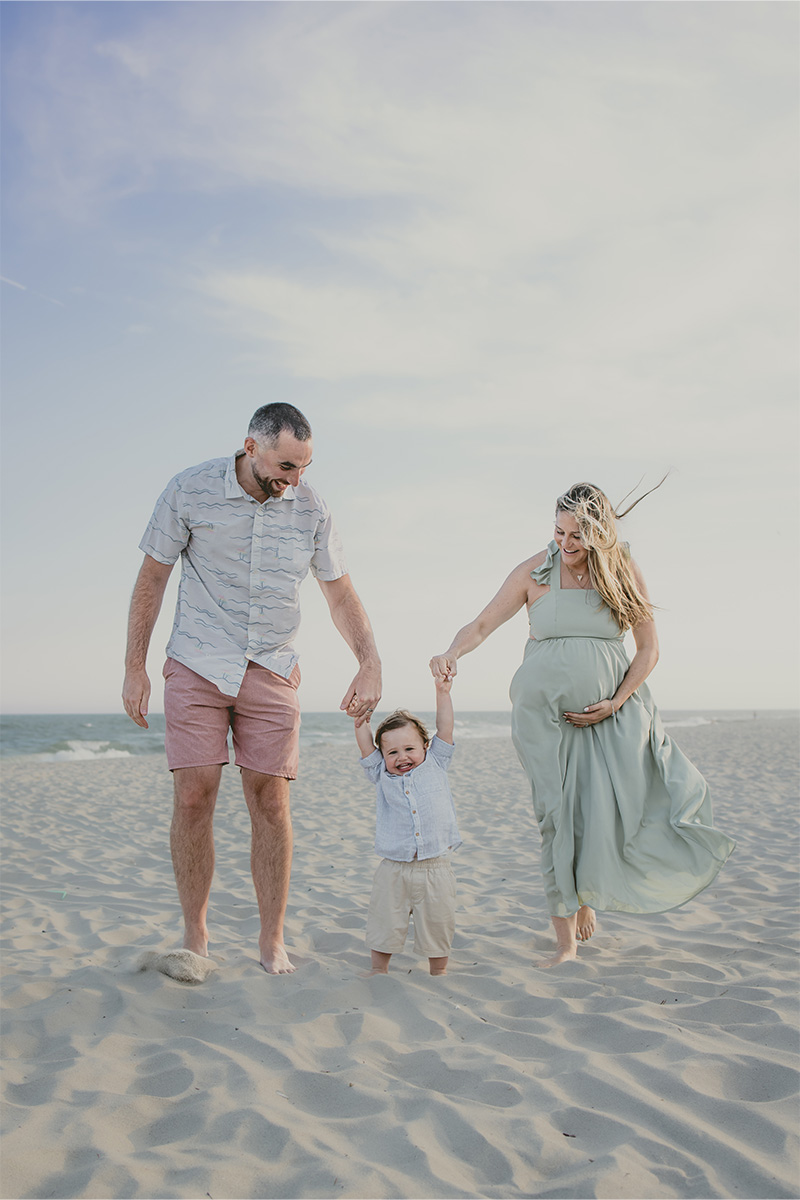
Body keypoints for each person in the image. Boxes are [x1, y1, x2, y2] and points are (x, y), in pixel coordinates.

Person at [430, 481, 734, 968]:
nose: (566, 544)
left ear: (600, 534)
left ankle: (586, 893)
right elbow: (483, 624)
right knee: (556, 815)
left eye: (577, 536)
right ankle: (565, 941)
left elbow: (649, 649)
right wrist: (451, 651)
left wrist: (616, 700)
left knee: (601, 813)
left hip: (609, 717)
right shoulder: (535, 569)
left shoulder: (621, 570)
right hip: (541, 718)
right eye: (559, 531)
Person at [122, 403, 381, 975]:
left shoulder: (311, 508)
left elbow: (339, 593)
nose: (295, 480)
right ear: (251, 446)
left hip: (271, 666)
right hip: (196, 661)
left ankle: (271, 941)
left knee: (271, 801)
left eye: (304, 468)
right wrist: (134, 666)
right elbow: (153, 577)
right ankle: (196, 936)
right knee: (194, 796)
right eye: (287, 466)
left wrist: (368, 660)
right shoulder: (189, 489)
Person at [353, 676, 460, 976]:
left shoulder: (436, 762)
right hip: (393, 868)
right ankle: (378, 970)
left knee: (438, 924)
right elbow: (365, 747)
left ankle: (438, 972)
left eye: (409, 749)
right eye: (392, 752)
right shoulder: (380, 775)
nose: (402, 758)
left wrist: (443, 692)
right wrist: (360, 719)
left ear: (426, 746)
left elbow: (446, 727)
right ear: (383, 756)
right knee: (384, 921)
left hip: (435, 866)